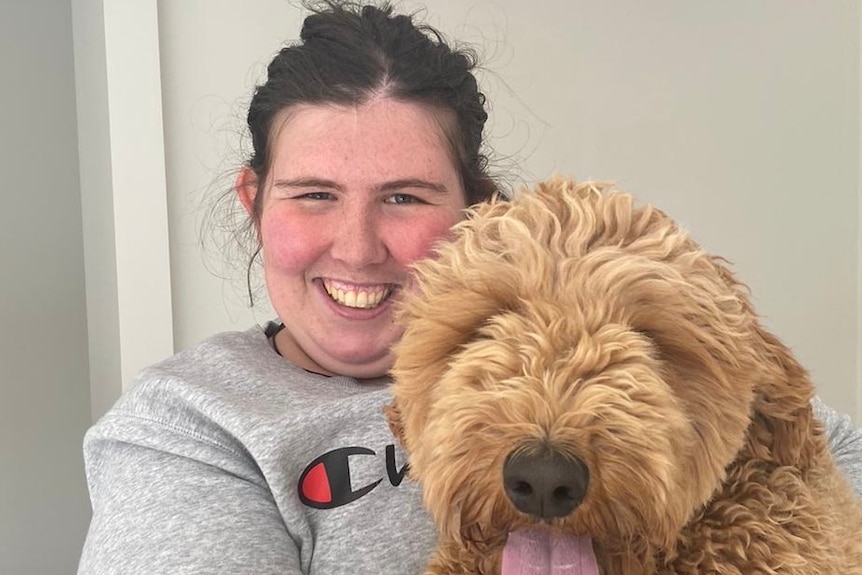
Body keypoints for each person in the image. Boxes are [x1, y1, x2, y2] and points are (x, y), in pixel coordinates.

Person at [77, 2, 862, 574]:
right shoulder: (190, 423)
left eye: (405, 196)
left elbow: (823, 445)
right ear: (253, 202)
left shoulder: (622, 324)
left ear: (482, 212)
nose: (357, 248)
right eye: (313, 194)